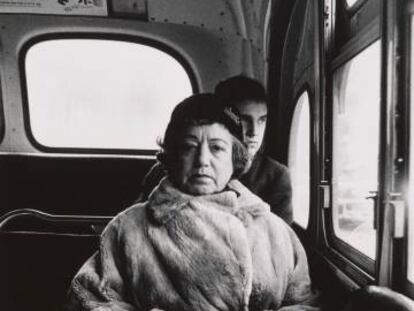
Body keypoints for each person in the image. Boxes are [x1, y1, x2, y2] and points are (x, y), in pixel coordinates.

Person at [65, 93, 318, 311]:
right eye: (189, 147)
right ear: (172, 156)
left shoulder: (273, 230)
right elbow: (88, 299)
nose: (203, 160)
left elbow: (306, 302)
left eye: (217, 148)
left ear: (235, 158)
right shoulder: (128, 229)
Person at [137, 75, 293, 224]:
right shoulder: (164, 171)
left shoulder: (276, 177)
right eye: (244, 120)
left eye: (261, 121)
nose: (254, 132)